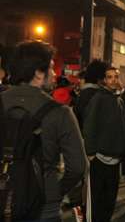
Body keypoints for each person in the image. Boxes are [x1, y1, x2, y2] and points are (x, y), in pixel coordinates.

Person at [0, 41, 87, 221]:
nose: (54, 74)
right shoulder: (60, 112)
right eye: (51, 68)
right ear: (39, 73)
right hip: (43, 204)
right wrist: (54, 191)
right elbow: (78, 166)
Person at [83, 66, 125, 222]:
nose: (113, 80)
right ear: (104, 80)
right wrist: (91, 152)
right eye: (109, 77)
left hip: (115, 159)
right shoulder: (98, 98)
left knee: (109, 200)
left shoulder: (119, 100)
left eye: (115, 76)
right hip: (100, 157)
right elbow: (90, 124)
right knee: (97, 200)